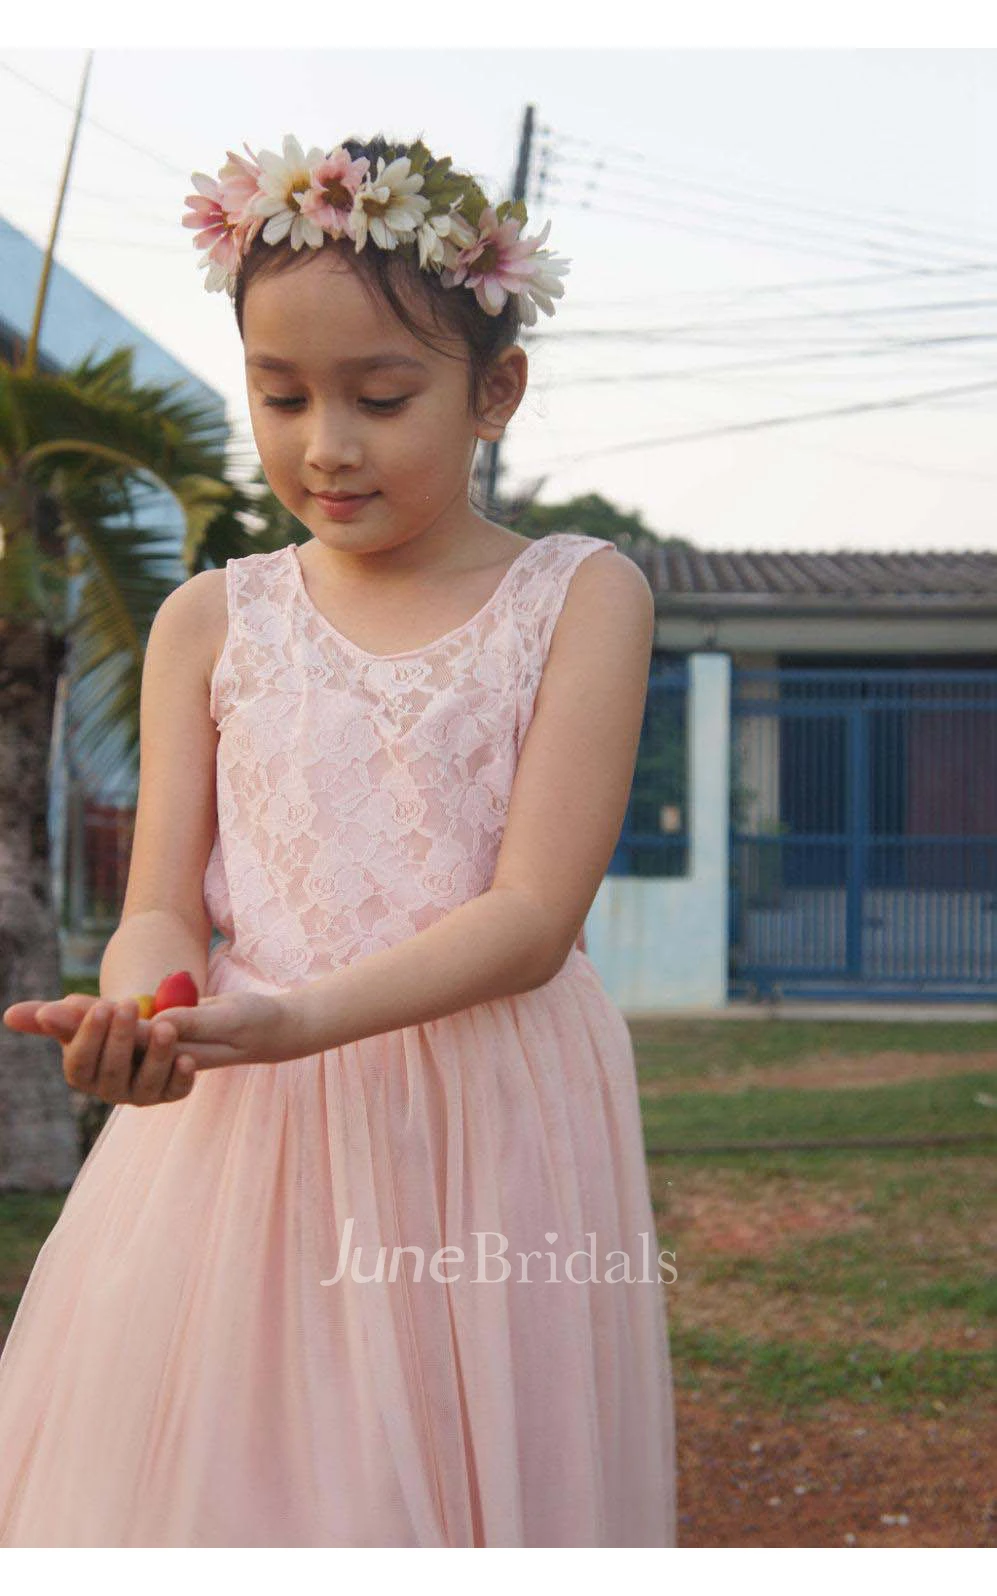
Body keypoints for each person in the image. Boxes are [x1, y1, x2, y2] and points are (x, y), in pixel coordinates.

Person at [0, 132, 676, 1548]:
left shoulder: (581, 596)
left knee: (456, 1462)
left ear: (496, 391)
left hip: (487, 1117)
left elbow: (532, 916)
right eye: (281, 394)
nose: (326, 444)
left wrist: (299, 1021)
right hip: (243, 1123)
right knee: (236, 1482)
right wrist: (147, 1010)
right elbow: (160, 904)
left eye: (381, 397)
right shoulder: (209, 621)